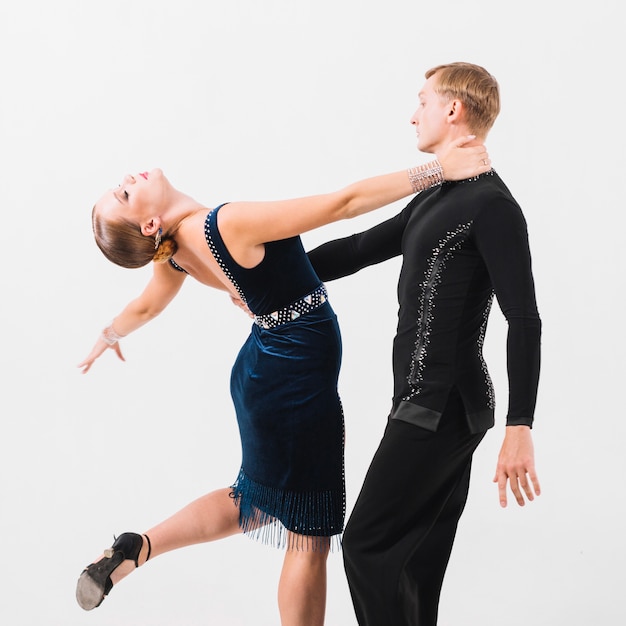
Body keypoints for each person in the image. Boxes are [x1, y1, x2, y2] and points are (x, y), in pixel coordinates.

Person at [74, 142, 490, 625]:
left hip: (268, 373)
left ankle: (136, 547)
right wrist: (440, 169)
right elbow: (343, 204)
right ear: (149, 225)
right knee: (309, 535)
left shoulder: (175, 253)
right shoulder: (224, 223)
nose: (128, 180)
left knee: (254, 497)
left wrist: (110, 334)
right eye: (124, 194)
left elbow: (146, 307)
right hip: (291, 381)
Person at [307, 62, 542, 625]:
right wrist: (274, 279)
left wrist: (520, 426)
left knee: (366, 544)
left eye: (423, 101)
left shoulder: (493, 206)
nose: (414, 113)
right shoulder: (440, 193)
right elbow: (363, 246)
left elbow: (525, 319)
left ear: (454, 110)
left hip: (442, 406)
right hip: (429, 403)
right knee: (413, 559)